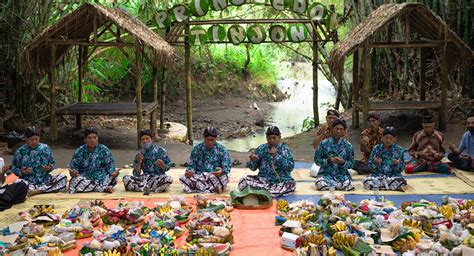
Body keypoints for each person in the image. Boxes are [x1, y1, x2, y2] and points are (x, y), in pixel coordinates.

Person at [238, 126, 295, 197]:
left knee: (290, 185)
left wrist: (276, 156)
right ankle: (265, 193)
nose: (271, 140)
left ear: (279, 137)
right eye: (269, 138)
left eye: (274, 138)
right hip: (263, 181)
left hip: (280, 182)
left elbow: (290, 167)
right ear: (266, 138)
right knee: (243, 181)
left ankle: (261, 193)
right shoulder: (261, 148)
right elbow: (253, 168)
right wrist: (253, 161)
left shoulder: (284, 149)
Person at [11, 127, 67, 196]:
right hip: (28, 181)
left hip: (45, 179)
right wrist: (22, 172)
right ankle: (45, 189)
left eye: (36, 139)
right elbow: (14, 169)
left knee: (63, 177)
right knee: (14, 182)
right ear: (26, 139)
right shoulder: (20, 151)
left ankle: (40, 190)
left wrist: (49, 168)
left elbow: (52, 163)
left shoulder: (45, 148)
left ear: (39, 138)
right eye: (31, 140)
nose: (34, 142)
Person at [179, 127, 231, 193]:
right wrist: (189, 172)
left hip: (214, 177)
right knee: (183, 178)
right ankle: (211, 189)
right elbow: (191, 166)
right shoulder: (196, 149)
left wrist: (221, 171)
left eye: (212, 140)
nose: (210, 142)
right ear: (204, 138)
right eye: (207, 140)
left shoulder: (222, 150)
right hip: (199, 177)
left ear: (216, 139)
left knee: (226, 177)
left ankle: (200, 189)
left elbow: (227, 167)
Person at [69, 128, 119, 193]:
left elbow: (110, 165)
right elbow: (74, 167)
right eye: (89, 138)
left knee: (113, 179)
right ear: (85, 139)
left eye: (95, 137)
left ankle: (93, 187)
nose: (92, 140)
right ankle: (102, 188)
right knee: (74, 180)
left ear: (98, 138)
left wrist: (113, 173)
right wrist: (74, 173)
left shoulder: (104, 150)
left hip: (101, 177)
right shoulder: (80, 151)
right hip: (85, 178)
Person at [123, 129, 173, 194]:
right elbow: (136, 174)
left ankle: (144, 188)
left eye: (147, 138)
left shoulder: (161, 151)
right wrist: (139, 162)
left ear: (152, 139)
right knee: (126, 178)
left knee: (168, 179)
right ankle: (151, 188)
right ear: (140, 141)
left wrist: (162, 165)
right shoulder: (140, 154)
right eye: (143, 139)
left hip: (158, 178)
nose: (145, 141)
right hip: (144, 179)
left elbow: (167, 167)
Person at [314, 119, 355, 191]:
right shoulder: (324, 143)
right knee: (321, 184)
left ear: (344, 131)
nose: (339, 131)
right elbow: (317, 160)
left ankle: (336, 186)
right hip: (326, 175)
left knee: (349, 185)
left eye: (341, 129)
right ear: (332, 129)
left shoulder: (348, 146)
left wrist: (343, 163)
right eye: (337, 129)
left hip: (342, 176)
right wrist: (328, 160)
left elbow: (351, 164)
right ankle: (334, 186)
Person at [363, 127, 407, 191]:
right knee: (367, 181)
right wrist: (375, 163)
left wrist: (397, 164)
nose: (388, 140)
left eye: (390, 138)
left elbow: (401, 169)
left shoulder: (399, 150)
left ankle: (383, 187)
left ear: (395, 138)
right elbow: (370, 166)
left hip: (393, 176)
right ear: (382, 138)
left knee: (400, 181)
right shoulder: (376, 148)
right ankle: (391, 187)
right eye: (386, 138)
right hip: (378, 175)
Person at [310, 109, 349, 177]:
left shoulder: (341, 130)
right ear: (326, 118)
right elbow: (315, 146)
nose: (331, 120)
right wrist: (323, 135)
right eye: (330, 118)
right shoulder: (323, 128)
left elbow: (346, 147)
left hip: (338, 159)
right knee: (313, 172)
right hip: (324, 160)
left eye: (334, 118)